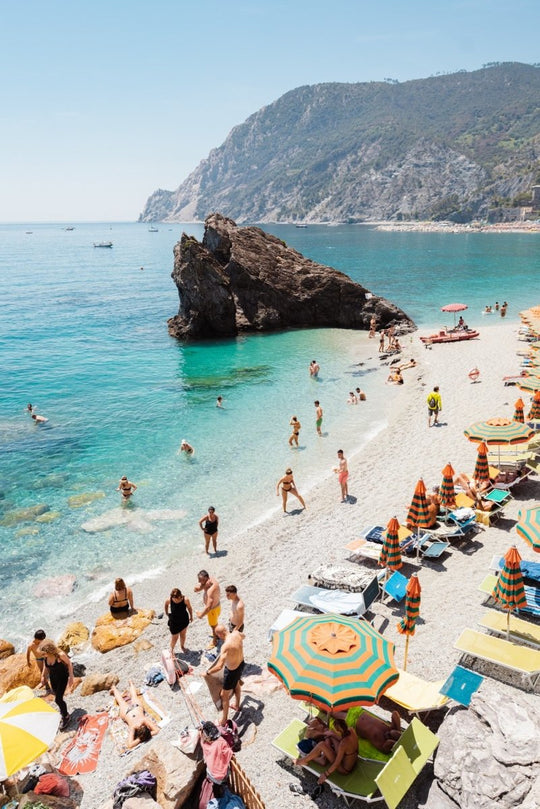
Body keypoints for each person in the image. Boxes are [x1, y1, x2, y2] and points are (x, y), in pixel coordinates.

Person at [294, 716, 358, 785]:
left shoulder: (343, 744)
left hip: (344, 769)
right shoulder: (351, 730)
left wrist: (325, 774)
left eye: (335, 730)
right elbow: (355, 748)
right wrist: (333, 734)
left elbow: (336, 763)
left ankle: (303, 760)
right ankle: (323, 758)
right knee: (330, 736)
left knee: (322, 744)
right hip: (353, 762)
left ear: (339, 731)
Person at [205, 624, 245, 724]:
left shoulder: (225, 646)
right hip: (241, 663)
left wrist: (208, 672)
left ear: (219, 635)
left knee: (224, 695)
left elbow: (219, 666)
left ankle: (224, 720)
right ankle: (237, 705)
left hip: (232, 671)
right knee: (236, 684)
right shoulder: (236, 634)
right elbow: (243, 636)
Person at [110, 682, 159, 749]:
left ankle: (117, 688)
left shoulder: (135, 726)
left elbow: (129, 745)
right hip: (132, 710)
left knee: (123, 700)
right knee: (129, 698)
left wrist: (141, 739)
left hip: (129, 711)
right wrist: (144, 737)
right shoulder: (141, 722)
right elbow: (156, 730)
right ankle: (125, 685)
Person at [38, 641, 74, 730]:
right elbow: (45, 667)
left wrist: (71, 677)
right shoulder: (46, 658)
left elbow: (69, 663)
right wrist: (43, 676)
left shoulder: (60, 655)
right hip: (53, 679)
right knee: (57, 697)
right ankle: (63, 711)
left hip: (63, 678)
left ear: (48, 651)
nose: (42, 655)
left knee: (58, 699)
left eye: (43, 654)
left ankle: (66, 716)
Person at [194, 570, 221, 648]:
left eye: (200, 579)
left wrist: (201, 615)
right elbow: (195, 589)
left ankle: (215, 641)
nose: (199, 581)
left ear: (206, 577)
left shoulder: (211, 590)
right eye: (198, 579)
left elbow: (208, 607)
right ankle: (216, 633)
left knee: (213, 625)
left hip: (212, 610)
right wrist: (202, 586)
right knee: (215, 623)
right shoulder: (209, 580)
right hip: (217, 606)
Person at [164, 588, 193, 653]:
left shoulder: (185, 599)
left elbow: (189, 608)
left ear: (180, 596)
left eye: (176, 598)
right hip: (174, 621)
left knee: (183, 635)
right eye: (173, 598)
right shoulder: (170, 599)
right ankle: (171, 649)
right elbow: (166, 604)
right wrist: (166, 613)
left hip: (184, 620)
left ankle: (182, 646)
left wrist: (191, 616)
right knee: (175, 637)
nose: (175, 600)